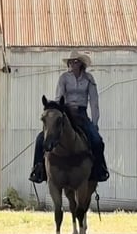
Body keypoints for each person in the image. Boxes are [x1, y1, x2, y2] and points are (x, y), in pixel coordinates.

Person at [29, 50, 110, 184]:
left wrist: (95, 122)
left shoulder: (89, 79)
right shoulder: (64, 78)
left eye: (75, 61)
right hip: (66, 112)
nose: (72, 63)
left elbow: (94, 102)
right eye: (71, 61)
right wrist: (56, 113)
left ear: (81, 64)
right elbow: (59, 97)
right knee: (40, 139)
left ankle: (99, 169)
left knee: (97, 141)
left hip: (82, 113)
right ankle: (38, 169)